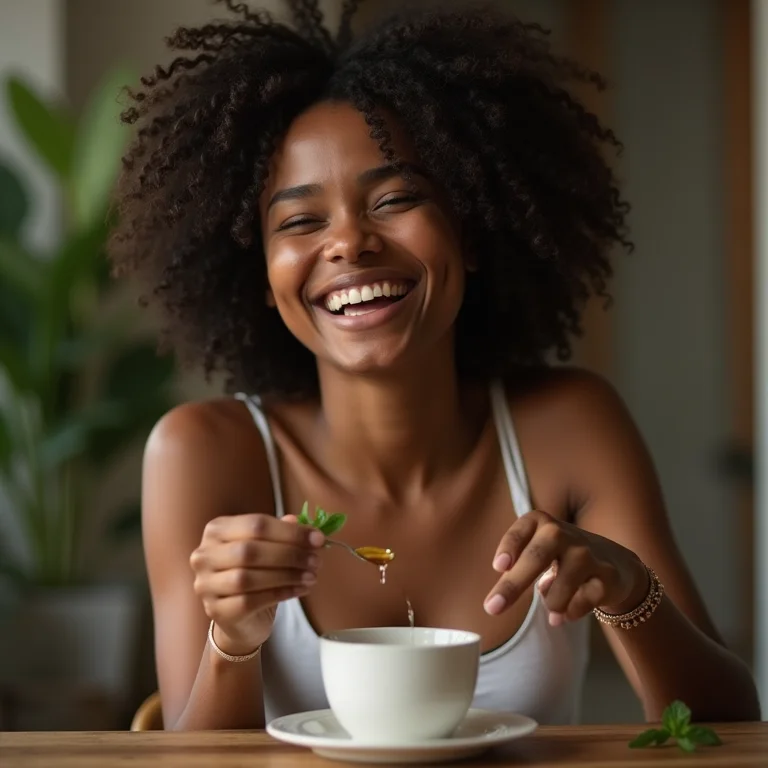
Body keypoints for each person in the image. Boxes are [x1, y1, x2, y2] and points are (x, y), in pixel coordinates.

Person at [109, 0, 760, 731]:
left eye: (397, 199)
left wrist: (633, 591)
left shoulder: (569, 426)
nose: (349, 243)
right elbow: (190, 760)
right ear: (260, 275)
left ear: (472, 230)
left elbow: (728, 726)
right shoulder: (203, 454)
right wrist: (233, 641)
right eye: (299, 221)